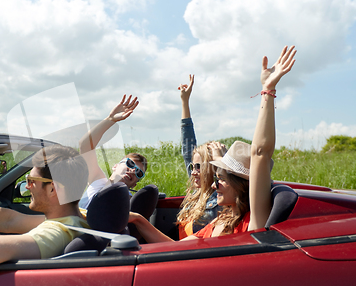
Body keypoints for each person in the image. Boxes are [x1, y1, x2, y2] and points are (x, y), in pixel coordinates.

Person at [129, 45, 296, 241]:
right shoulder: (221, 219)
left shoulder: (252, 222)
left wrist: (267, 90)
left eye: (221, 179)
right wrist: (138, 220)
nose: (216, 185)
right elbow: (178, 248)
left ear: (242, 186)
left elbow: (260, 153)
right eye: (217, 179)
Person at [177, 74, 227, 238]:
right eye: (192, 167)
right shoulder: (197, 190)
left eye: (199, 167)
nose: (193, 171)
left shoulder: (221, 201)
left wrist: (221, 161)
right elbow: (187, 147)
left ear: (214, 169)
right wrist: (185, 101)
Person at [78, 95, 149, 210]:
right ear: (115, 166)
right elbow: (85, 146)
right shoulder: (98, 180)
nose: (132, 170)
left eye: (139, 173)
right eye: (130, 164)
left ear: (134, 184)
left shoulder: (129, 202)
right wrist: (110, 119)